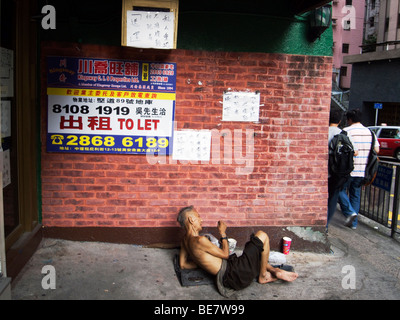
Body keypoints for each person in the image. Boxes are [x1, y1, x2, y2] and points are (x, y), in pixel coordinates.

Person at [177, 206, 298, 297]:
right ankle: (263, 276)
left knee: (256, 253)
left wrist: (203, 263)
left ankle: (273, 270)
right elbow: (225, 254)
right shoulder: (200, 240)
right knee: (262, 236)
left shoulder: (184, 241)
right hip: (235, 274)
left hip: (228, 275)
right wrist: (223, 233)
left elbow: (183, 265)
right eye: (198, 217)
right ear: (191, 220)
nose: (201, 220)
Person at [338, 109, 379, 229]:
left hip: (348, 169)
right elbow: (377, 150)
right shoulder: (370, 132)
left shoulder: (346, 131)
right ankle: (354, 224)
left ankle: (350, 213)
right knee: (355, 194)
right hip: (363, 170)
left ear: (349, 119)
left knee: (339, 190)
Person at [326, 109, 358, 232]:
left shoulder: (323, 132)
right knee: (332, 199)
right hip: (338, 174)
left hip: (325, 172)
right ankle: (326, 226)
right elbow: (355, 151)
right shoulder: (344, 134)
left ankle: (323, 224)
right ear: (340, 121)